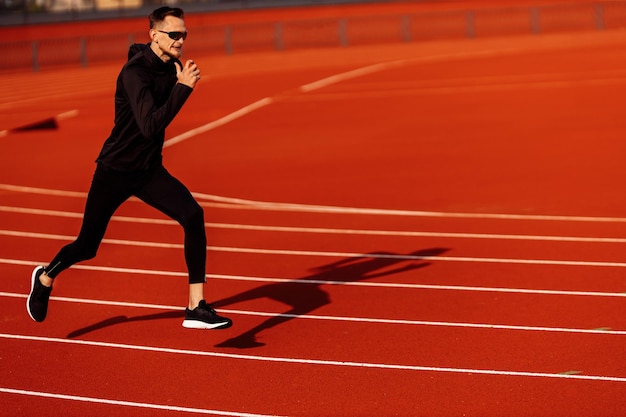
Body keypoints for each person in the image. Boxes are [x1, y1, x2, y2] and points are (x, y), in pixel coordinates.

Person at [26, 6, 232, 330]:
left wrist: (179, 84)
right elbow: (150, 125)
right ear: (154, 35)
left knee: (193, 215)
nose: (180, 41)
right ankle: (46, 276)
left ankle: (196, 306)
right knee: (88, 246)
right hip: (115, 170)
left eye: (184, 35)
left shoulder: (173, 66)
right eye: (173, 34)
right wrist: (184, 89)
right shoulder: (134, 73)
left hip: (148, 170)